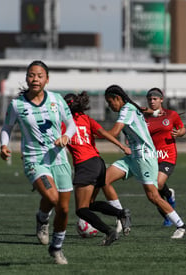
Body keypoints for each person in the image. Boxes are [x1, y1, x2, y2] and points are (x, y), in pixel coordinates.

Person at [0, 60, 76, 265]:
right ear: (27, 78)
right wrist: (4, 145)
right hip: (34, 159)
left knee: (64, 209)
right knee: (53, 199)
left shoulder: (57, 100)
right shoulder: (17, 105)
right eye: (31, 75)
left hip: (59, 158)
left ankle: (57, 247)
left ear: (47, 79)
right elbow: (7, 128)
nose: (35, 79)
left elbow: (71, 125)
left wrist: (66, 137)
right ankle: (43, 220)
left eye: (39, 76)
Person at [102, 84, 186, 239]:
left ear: (117, 98)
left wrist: (93, 132)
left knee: (153, 196)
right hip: (133, 157)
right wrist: (154, 112)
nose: (110, 106)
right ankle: (122, 217)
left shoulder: (126, 110)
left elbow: (114, 132)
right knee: (104, 179)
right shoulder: (131, 107)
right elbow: (146, 111)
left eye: (110, 102)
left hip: (144, 156)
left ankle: (181, 225)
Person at [62, 91, 132, 245]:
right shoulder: (86, 119)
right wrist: (121, 146)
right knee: (90, 205)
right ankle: (121, 213)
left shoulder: (64, 123)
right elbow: (103, 134)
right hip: (98, 163)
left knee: (81, 210)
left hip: (85, 165)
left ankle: (109, 232)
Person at [144, 87, 186, 227]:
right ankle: (167, 211)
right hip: (151, 157)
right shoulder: (145, 117)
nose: (152, 101)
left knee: (157, 184)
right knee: (153, 191)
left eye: (155, 99)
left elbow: (182, 129)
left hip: (168, 155)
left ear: (161, 100)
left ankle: (168, 199)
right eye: (150, 99)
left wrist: (179, 133)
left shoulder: (171, 115)